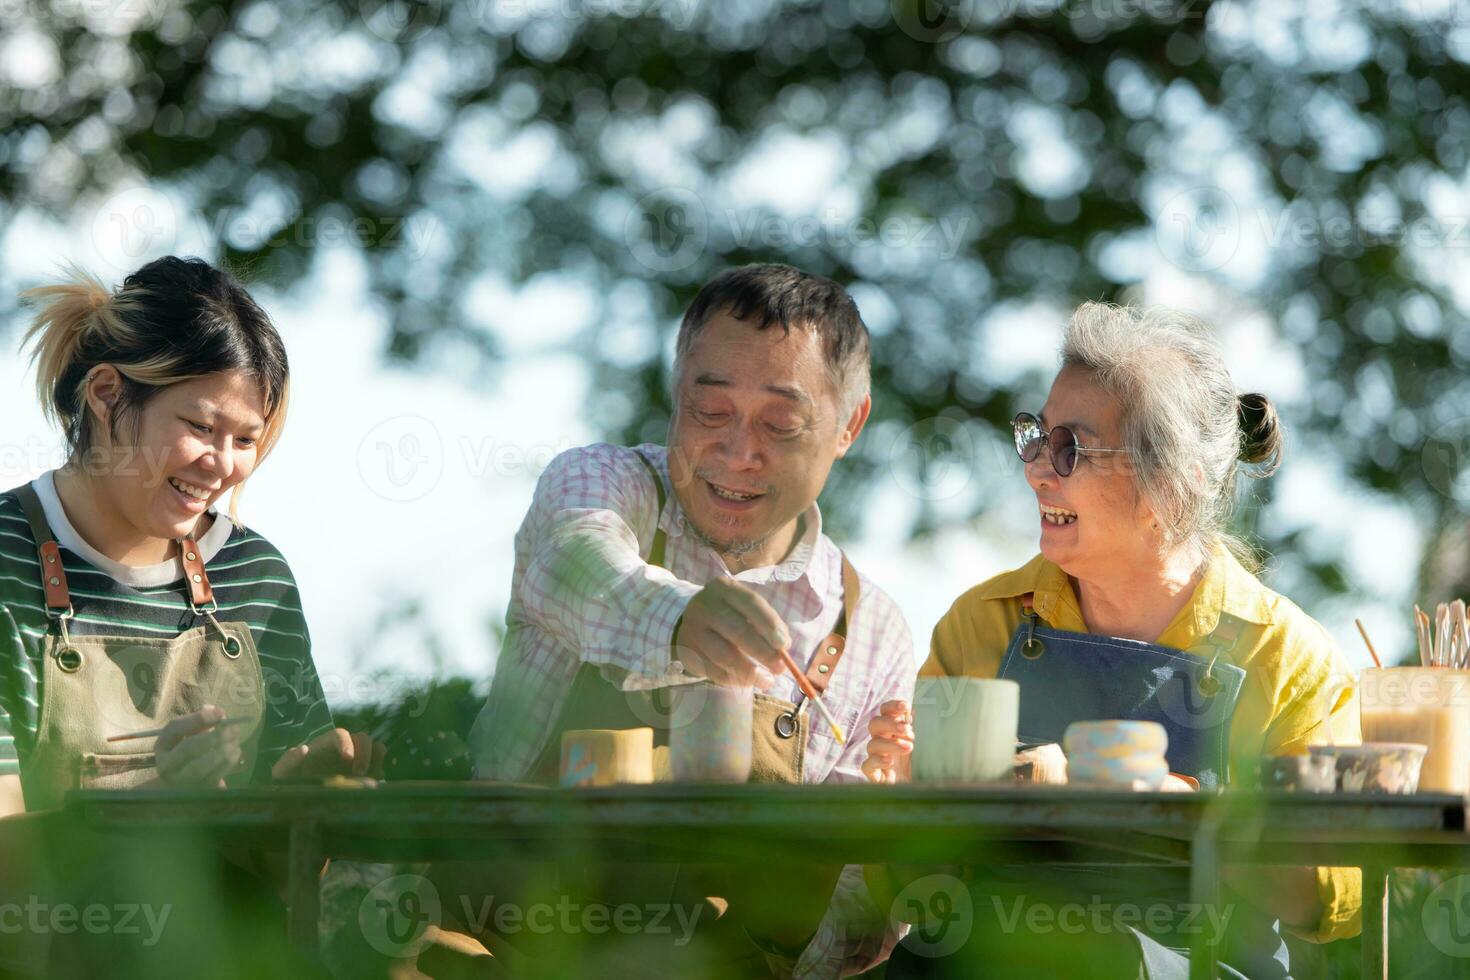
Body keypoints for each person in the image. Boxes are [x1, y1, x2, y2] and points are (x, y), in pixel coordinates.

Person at [863, 302, 1360, 978]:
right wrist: (900, 806)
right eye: (1036, 435)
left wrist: (1184, 810)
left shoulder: (1290, 657)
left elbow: (1331, 903)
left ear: (1172, 488)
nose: (1038, 468)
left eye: (1071, 449)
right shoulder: (981, 623)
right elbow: (914, 889)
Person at [458, 263, 917, 977]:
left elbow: (837, 928)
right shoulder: (601, 485)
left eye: (782, 423)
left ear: (849, 426)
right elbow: (577, 565)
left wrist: (894, 862)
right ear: (676, 396)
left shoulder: (871, 631)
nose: (737, 452)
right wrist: (680, 620)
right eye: (710, 413)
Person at [0, 256, 383, 977]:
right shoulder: (4, 561)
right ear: (108, 395)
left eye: (246, 439)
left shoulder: (256, 574)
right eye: (201, 425)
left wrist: (306, 796)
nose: (225, 464)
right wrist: (157, 810)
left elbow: (294, 868)